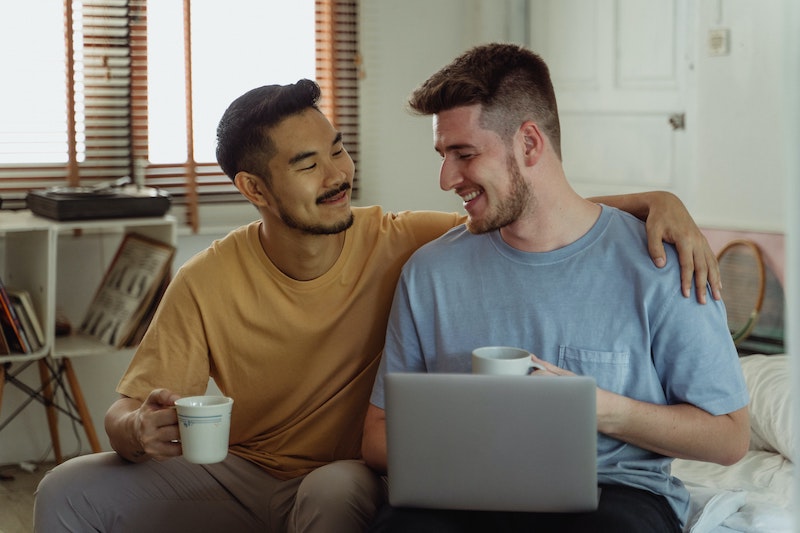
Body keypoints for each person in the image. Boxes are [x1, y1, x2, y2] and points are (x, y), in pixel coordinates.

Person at [34, 78, 719, 533]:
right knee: (66, 491)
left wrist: (657, 202)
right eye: (307, 165)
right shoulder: (208, 277)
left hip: (350, 475)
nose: (337, 174)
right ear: (255, 188)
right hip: (244, 471)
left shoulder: (405, 241)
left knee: (333, 493)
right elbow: (128, 409)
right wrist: (132, 431)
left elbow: (529, 206)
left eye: (336, 149)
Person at [362, 44, 750, 533]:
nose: (446, 179)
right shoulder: (429, 273)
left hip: (612, 494)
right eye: (443, 155)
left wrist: (603, 411)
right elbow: (376, 436)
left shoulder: (662, 262)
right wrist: (468, 442)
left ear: (529, 144)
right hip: (462, 493)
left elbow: (730, 436)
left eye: (464, 154)